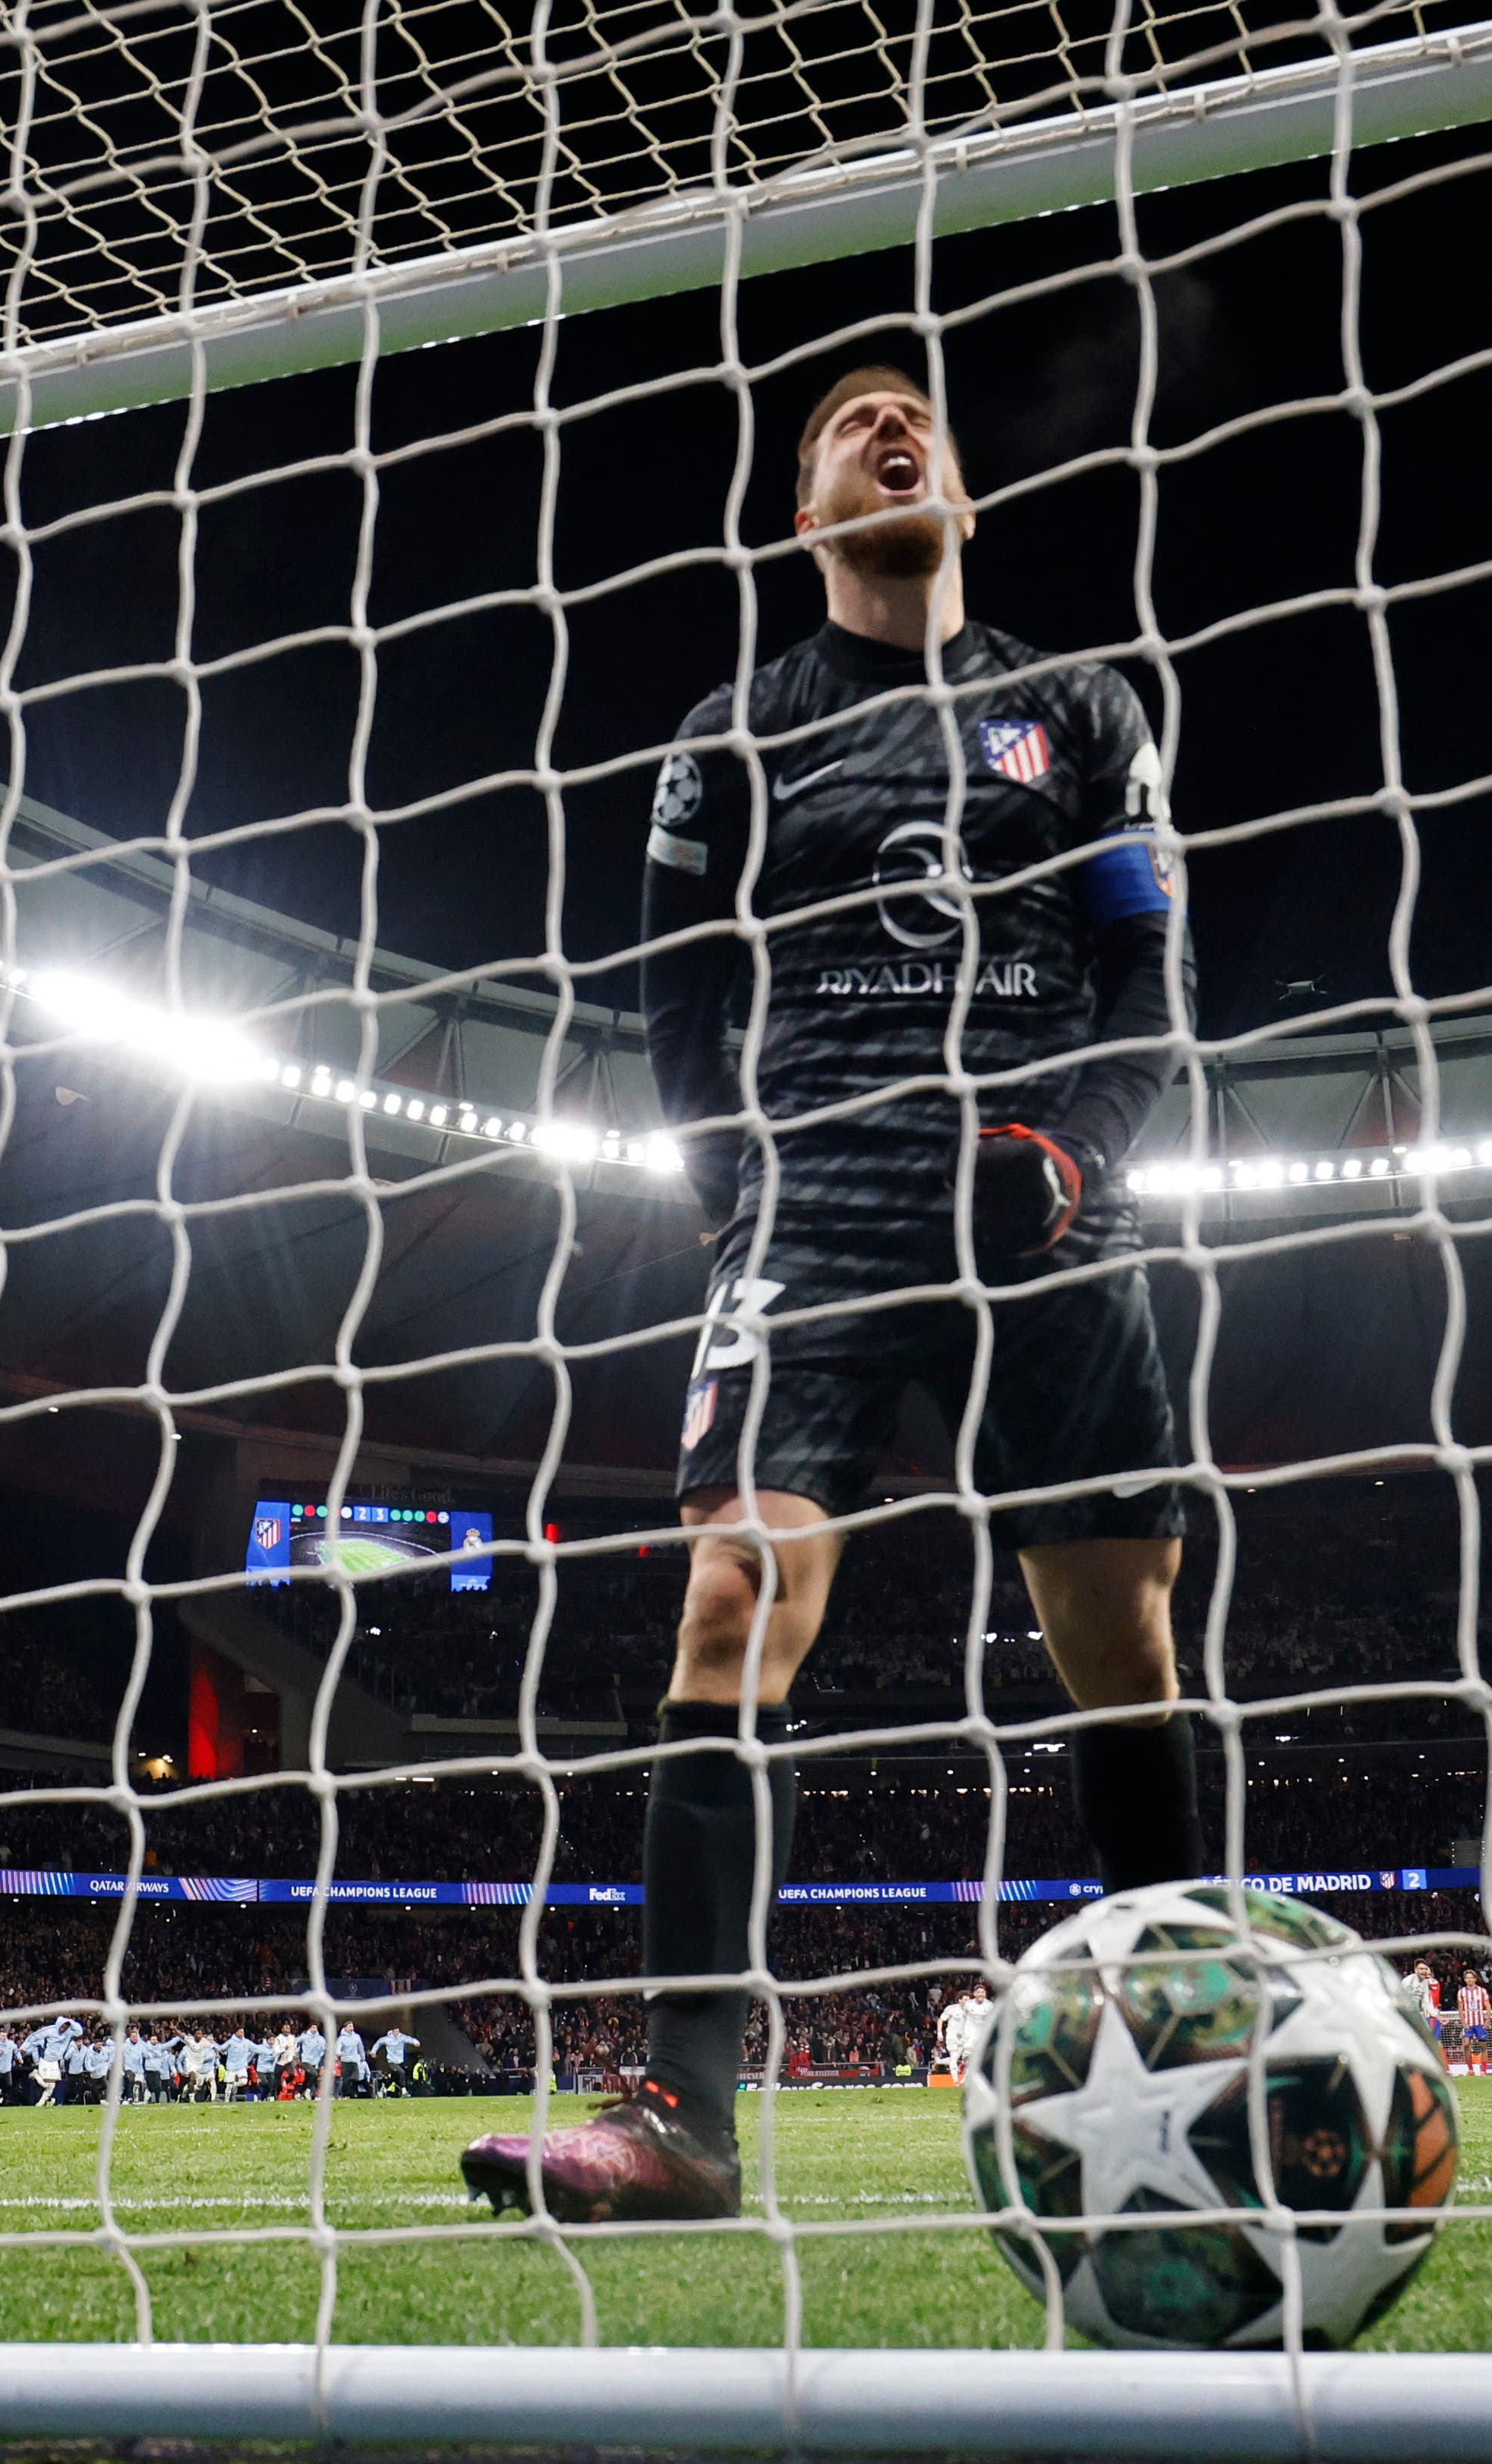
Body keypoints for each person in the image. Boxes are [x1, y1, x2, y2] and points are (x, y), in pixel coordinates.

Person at [461, 362, 1197, 2228]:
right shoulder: (733, 736)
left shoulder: (1078, 708)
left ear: (960, 490)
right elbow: (675, 1011)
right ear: (805, 514)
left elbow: (1147, 978)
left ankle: (1191, 2075)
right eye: (844, 431)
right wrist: (737, 1205)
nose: (889, 434)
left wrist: (1070, 1153)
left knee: (1119, 1646)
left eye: (918, 422)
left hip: (1041, 1208)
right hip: (817, 1215)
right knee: (727, 1599)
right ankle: (682, 2121)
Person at [935, 1980, 995, 2087]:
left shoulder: (990, 2006)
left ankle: (962, 2074)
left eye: (983, 1992)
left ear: (985, 1994)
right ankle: (956, 2081)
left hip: (978, 2035)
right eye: (978, 1992)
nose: (966, 2001)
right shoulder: (957, 2008)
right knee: (959, 2057)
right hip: (957, 2036)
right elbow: (943, 2019)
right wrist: (940, 2033)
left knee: (969, 2058)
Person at [1453, 1970, 1492, 2078]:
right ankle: (1470, 2069)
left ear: (1475, 1979)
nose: (1469, 1980)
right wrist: (1463, 2022)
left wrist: (1487, 2020)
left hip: (1480, 2023)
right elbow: (1460, 2009)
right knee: (1466, 2044)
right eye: (1467, 1978)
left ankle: (1484, 2070)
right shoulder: (1461, 1992)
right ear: (1465, 1979)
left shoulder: (1482, 1991)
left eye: (1471, 1978)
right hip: (1468, 2023)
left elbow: (1488, 2006)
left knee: (1483, 2046)